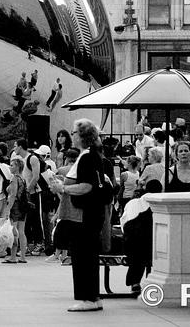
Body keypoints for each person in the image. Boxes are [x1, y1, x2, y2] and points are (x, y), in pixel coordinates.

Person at [62, 118, 109, 312]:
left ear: (82, 136)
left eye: (74, 132)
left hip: (84, 213)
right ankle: (94, 296)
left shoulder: (87, 157)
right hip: (93, 212)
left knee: (82, 255)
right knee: (90, 254)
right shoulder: (94, 155)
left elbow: (86, 186)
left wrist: (63, 188)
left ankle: (86, 298)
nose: (71, 135)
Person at [121, 179, 161, 294]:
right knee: (145, 246)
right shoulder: (160, 204)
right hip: (152, 245)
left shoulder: (132, 203)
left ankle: (135, 282)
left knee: (138, 249)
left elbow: (124, 223)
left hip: (130, 245)